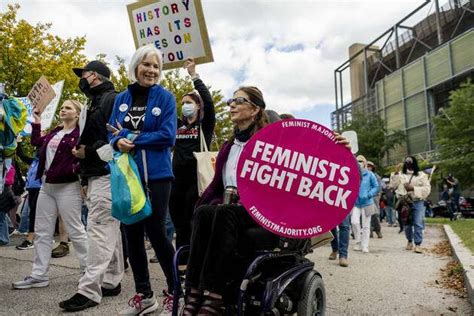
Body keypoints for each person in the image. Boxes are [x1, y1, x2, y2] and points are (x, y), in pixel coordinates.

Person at [182, 86, 350, 315]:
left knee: (224, 213)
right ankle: (193, 293)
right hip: (234, 211)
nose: (231, 104)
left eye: (238, 101)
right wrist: (199, 206)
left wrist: (337, 151)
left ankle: (215, 298)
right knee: (204, 213)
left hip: (265, 214)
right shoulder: (229, 147)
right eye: (231, 100)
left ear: (254, 110)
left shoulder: (272, 145)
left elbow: (308, 165)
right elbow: (215, 186)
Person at [108, 44, 177, 315]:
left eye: (156, 66)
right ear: (136, 66)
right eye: (146, 64)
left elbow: (167, 135)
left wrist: (131, 138)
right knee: (132, 233)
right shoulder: (121, 98)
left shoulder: (166, 98)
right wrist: (117, 139)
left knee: (158, 233)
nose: (151, 70)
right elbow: (111, 133)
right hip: (128, 174)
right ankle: (145, 296)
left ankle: (175, 292)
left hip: (157, 176)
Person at [59, 60, 123, 312]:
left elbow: (120, 138)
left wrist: (90, 153)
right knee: (110, 228)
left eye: (83, 74)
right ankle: (111, 280)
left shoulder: (112, 99)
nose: (81, 78)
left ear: (94, 76)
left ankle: (88, 290)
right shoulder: (95, 102)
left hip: (107, 174)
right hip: (97, 175)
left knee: (98, 229)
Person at [12, 100, 88, 289]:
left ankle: (89, 273)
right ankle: (39, 275)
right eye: (62, 107)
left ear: (78, 114)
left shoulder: (80, 134)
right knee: (42, 232)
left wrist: (80, 171)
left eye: (68, 108)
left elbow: (86, 157)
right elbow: (37, 142)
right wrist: (36, 120)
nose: (63, 110)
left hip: (68, 186)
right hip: (46, 186)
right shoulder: (55, 131)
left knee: (76, 230)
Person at [169, 58, 215, 250]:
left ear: (197, 106)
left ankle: (198, 258)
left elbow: (209, 103)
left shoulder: (203, 126)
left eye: (188, 102)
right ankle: (182, 263)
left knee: (193, 221)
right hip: (176, 180)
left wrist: (193, 75)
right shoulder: (177, 125)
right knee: (179, 223)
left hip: (196, 181)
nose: (185, 106)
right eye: (182, 103)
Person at [390, 156, 431, 253]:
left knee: (418, 222)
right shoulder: (400, 175)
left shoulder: (422, 175)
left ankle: (418, 244)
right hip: (405, 202)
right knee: (407, 224)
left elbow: (427, 189)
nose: (409, 164)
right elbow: (392, 186)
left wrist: (413, 188)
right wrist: (395, 175)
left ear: (414, 163)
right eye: (407, 162)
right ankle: (409, 241)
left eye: (410, 162)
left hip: (418, 201)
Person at [351, 155, 379, 253]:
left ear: (365, 163)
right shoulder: (353, 173)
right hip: (356, 203)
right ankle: (358, 242)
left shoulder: (370, 174)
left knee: (366, 225)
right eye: (357, 161)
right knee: (354, 222)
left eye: (361, 161)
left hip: (367, 203)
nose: (359, 163)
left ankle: (365, 245)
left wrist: (369, 194)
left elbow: (376, 186)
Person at [367, 161, 383, 238]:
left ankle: (378, 230)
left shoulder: (376, 176)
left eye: (369, 166)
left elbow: (379, 188)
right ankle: (369, 231)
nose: (368, 167)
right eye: (367, 166)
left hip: (374, 197)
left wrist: (377, 196)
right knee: (367, 214)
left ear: (372, 167)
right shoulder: (364, 175)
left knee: (375, 214)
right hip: (366, 197)